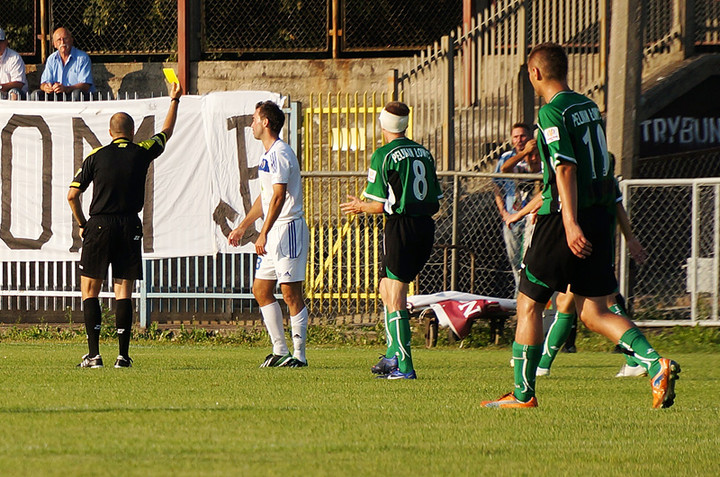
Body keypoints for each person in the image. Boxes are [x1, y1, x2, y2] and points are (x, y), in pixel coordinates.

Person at [482, 43, 680, 409]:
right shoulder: (587, 106)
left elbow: (565, 168)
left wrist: (570, 223)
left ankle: (523, 394)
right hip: (598, 213)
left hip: (563, 218)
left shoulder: (551, 112)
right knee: (593, 311)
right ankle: (655, 364)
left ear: (535, 74)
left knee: (529, 302)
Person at [67, 82, 182, 368]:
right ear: (131, 133)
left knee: (90, 291)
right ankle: (123, 355)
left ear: (110, 133)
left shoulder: (95, 156)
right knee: (123, 292)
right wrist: (174, 101)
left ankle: (94, 355)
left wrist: (83, 224)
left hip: (100, 225)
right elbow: (165, 133)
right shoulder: (141, 151)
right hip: (130, 225)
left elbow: (72, 195)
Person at [340, 101, 443, 379]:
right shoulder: (424, 153)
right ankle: (391, 356)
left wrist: (360, 206)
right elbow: (436, 199)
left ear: (383, 124)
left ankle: (405, 367)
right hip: (424, 225)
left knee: (396, 296)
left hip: (401, 227)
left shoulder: (383, 155)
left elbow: (377, 204)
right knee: (386, 287)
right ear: (405, 124)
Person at [228, 101, 309, 368]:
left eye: (254, 119)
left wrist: (262, 234)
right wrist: (243, 227)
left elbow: (278, 196)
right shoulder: (268, 155)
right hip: (273, 233)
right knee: (261, 289)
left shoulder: (280, 153)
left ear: (265, 122)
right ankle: (280, 350)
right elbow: (264, 199)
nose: (251, 123)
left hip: (288, 230)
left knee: (290, 293)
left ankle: (299, 356)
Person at [493, 123, 541, 292]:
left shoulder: (538, 155)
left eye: (523, 136)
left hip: (532, 217)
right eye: (515, 137)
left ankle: (527, 296)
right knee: (514, 260)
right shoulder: (507, 157)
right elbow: (498, 183)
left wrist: (530, 153)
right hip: (512, 215)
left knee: (530, 259)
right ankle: (518, 296)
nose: (519, 140)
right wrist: (503, 213)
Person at [33, 28, 95, 101]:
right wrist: (46, 87)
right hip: (56, 95)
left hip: (75, 95)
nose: (62, 42)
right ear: (54, 44)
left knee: (77, 93)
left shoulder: (82, 58)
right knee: (36, 95)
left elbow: (85, 85)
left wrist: (66, 89)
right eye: (59, 40)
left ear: (71, 40)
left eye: (65, 38)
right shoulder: (51, 59)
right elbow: (43, 83)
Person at [0, 27, 28, 99]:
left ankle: (12, 110)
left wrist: (1, 87)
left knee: (14, 92)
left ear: (6, 42)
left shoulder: (14, 57)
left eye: (0, 42)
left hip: (16, 93)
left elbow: (19, 83)